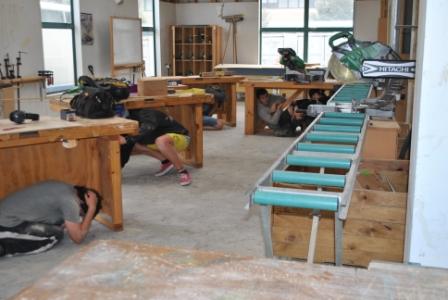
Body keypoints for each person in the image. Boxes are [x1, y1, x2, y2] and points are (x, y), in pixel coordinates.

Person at [0, 180, 102, 257]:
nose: (79, 218)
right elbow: (78, 238)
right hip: (6, 223)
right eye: (81, 215)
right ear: (83, 204)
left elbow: (49, 213)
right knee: (55, 234)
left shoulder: (66, 188)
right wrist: (91, 209)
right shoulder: (71, 202)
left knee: (57, 224)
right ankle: (5, 247)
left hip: (6, 215)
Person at [120, 108, 192, 186]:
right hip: (157, 141)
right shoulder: (128, 117)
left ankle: (183, 171)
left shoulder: (145, 112)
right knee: (133, 144)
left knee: (161, 141)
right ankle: (166, 162)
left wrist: (127, 140)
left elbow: (148, 127)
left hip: (181, 138)